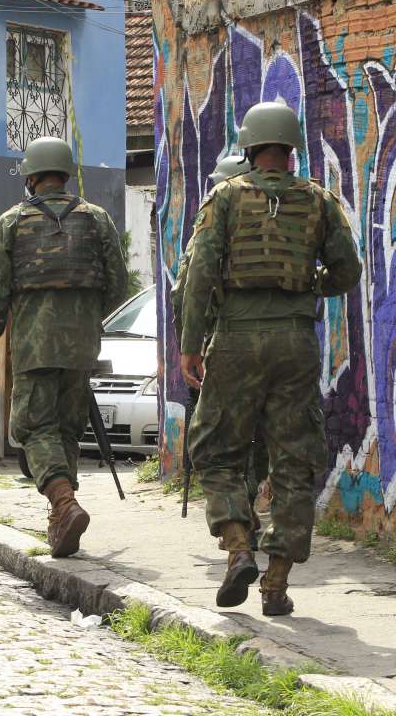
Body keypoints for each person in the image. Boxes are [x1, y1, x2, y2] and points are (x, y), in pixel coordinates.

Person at [179, 101, 362, 615]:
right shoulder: (320, 202)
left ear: (250, 146)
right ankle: (276, 584)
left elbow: (199, 275)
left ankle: (239, 549)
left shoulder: (226, 198)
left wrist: (191, 345)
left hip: (236, 339)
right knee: (294, 460)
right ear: (291, 148)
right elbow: (348, 271)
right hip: (296, 342)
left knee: (216, 452)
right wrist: (308, 284)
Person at [0, 136, 129, 558]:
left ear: (30, 178)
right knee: (66, 430)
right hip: (82, 346)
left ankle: (64, 503)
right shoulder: (97, 219)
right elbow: (118, 284)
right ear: (66, 174)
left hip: (32, 345)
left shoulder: (11, 222)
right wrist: (85, 318)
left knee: (31, 428)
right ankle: (62, 520)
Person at [171, 156, 268, 551]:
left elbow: (184, 291)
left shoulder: (210, 228)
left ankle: (237, 523)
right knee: (256, 435)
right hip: (273, 347)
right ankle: (248, 511)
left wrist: (190, 344)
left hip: (221, 346)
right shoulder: (269, 224)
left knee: (216, 441)